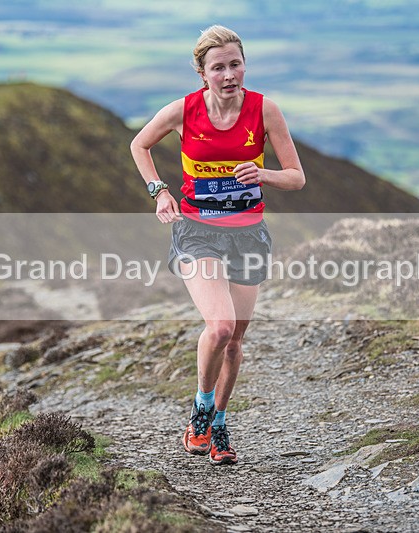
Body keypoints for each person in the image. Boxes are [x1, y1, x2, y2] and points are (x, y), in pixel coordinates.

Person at [130, 25, 305, 465]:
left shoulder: (265, 111)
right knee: (221, 325)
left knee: (235, 340)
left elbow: (296, 177)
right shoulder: (183, 111)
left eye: (235, 64)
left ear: (244, 64)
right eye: (218, 68)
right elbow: (139, 144)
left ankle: (221, 426)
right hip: (197, 231)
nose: (229, 75)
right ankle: (201, 409)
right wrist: (160, 192)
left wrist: (262, 174)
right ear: (202, 73)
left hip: (249, 233)